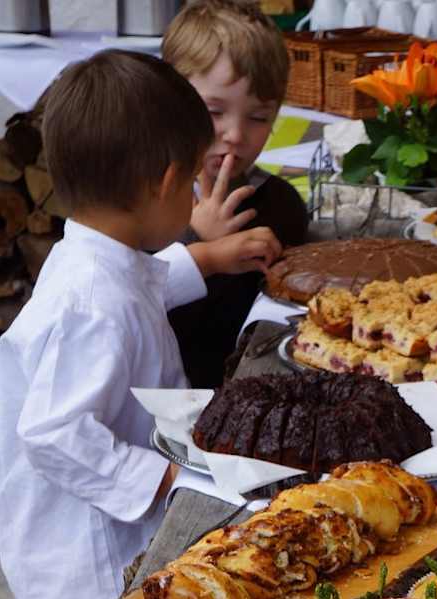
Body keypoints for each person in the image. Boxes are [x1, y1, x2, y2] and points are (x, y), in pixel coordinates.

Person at [0, 50, 282, 599]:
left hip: (106, 522)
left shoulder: (95, 256)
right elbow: (53, 434)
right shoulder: (93, 304)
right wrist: (168, 480)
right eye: (193, 177)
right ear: (166, 182)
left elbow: (142, 285)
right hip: (88, 555)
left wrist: (209, 259)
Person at [162, 0, 310, 388]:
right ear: (171, 99)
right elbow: (131, 304)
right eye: (214, 111)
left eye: (259, 117)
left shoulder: (281, 204)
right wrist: (195, 240)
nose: (236, 135)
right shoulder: (146, 200)